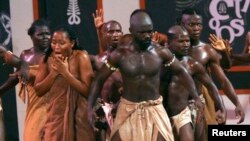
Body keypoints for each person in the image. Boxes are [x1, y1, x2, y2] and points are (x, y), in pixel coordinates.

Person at [88, 9, 203, 141]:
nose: (147, 36)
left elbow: (181, 72)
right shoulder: (120, 54)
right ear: (131, 30)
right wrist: (90, 107)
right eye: (142, 32)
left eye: (149, 31)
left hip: (154, 109)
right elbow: (99, 79)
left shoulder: (161, 52)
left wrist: (196, 97)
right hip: (127, 109)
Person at [180, 8, 245, 124]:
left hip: (202, 99)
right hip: (178, 100)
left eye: (199, 25)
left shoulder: (207, 50)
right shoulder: (171, 49)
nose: (196, 29)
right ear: (181, 24)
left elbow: (223, 81)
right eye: (191, 24)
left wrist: (237, 103)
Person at [164, 25, 226, 141]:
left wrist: (222, 108)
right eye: (181, 41)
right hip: (161, 114)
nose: (186, 44)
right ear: (169, 43)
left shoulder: (193, 65)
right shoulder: (160, 63)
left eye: (187, 41)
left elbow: (211, 86)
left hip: (184, 113)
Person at [34, 25, 94, 141]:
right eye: (53, 42)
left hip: (80, 116)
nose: (56, 47)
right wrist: (54, 74)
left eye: (61, 43)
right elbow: (38, 90)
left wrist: (65, 73)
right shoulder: (46, 60)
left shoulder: (81, 57)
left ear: (72, 43)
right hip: (56, 117)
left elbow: (88, 91)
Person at [0, 19, 51, 141]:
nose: (45, 37)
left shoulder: (55, 54)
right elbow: (17, 78)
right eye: (40, 34)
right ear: (32, 36)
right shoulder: (26, 56)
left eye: (47, 33)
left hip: (54, 107)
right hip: (35, 108)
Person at [91, 9, 124, 141]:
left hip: (121, 110)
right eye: (111, 31)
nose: (115, 34)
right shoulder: (98, 59)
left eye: (118, 31)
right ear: (104, 35)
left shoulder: (127, 58)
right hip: (101, 113)